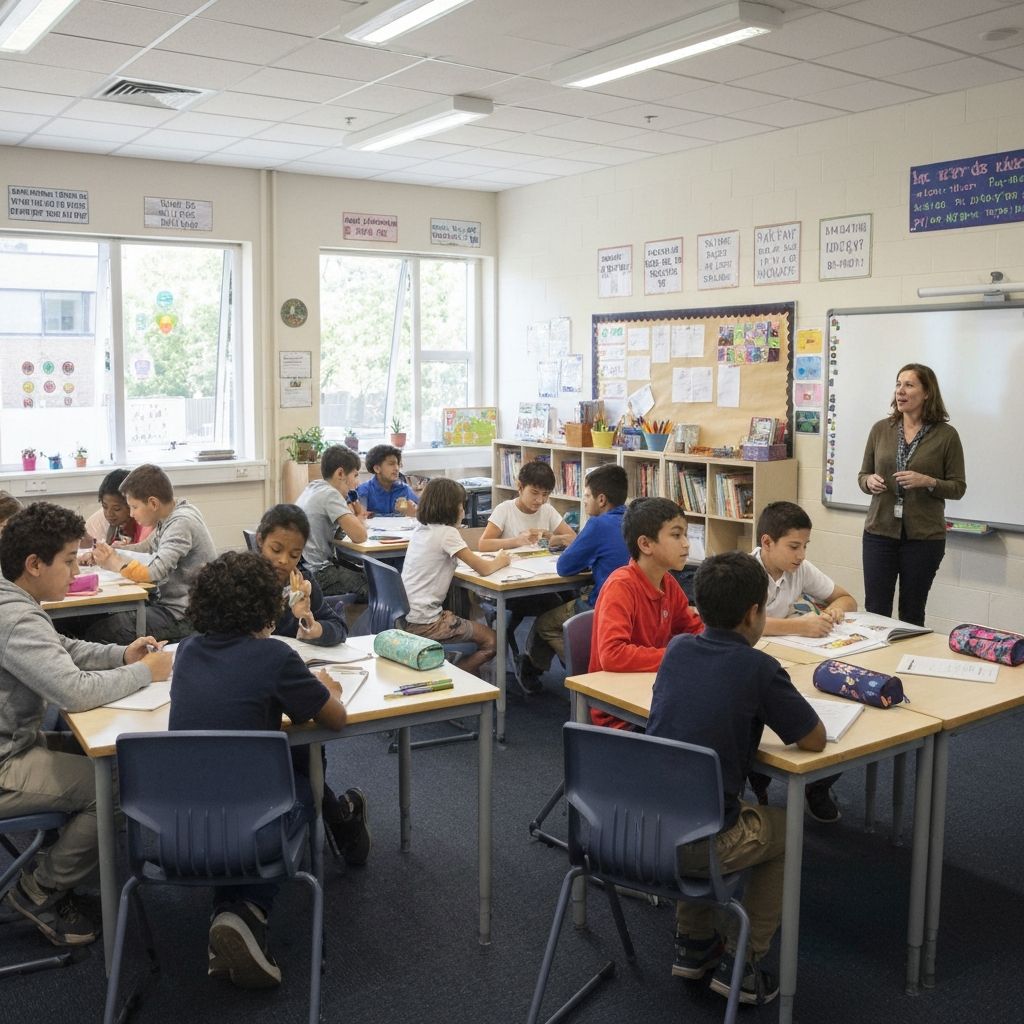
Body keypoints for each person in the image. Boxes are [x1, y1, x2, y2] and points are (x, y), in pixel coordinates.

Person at [647, 551, 825, 1007]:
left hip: (639, 830)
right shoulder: (758, 668)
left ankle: (694, 942)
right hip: (697, 844)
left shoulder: (677, 650)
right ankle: (744, 963)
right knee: (783, 827)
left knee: (693, 798)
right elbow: (813, 740)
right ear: (755, 612)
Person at [170, 551, 347, 989]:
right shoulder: (274, 657)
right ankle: (249, 910)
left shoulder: (187, 652)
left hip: (179, 825)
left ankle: (232, 915)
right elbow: (335, 719)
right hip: (253, 821)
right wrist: (327, 687)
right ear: (266, 606)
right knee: (305, 782)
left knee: (246, 801)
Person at [0, 502, 171, 947]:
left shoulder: (14, 599)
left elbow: (63, 649)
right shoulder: (15, 618)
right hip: (5, 761)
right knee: (113, 788)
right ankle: (39, 889)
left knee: (107, 762)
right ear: (33, 565)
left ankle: (64, 876)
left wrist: (121, 655)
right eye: (69, 560)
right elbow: (73, 690)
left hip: (14, 740)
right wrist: (146, 672)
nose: (76, 570)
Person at [254, 503, 370, 864]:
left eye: (294, 554)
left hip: (291, 685)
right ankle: (338, 815)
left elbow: (338, 628)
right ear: (259, 542)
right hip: (259, 685)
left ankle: (332, 815)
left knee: (305, 746)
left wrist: (309, 622)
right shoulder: (241, 579)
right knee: (295, 757)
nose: (284, 561)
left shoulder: (301, 581)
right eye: (275, 550)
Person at [752, 500, 857, 822]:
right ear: (767, 543)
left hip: (793, 658)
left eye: (805, 546)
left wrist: (834, 609)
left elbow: (847, 598)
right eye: (794, 546)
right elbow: (746, 622)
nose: (801, 555)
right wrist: (799, 625)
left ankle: (818, 786)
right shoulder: (746, 571)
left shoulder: (800, 570)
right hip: (756, 660)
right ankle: (759, 782)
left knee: (839, 720)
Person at [859, 363, 966, 626]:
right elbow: (862, 475)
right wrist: (868, 481)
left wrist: (928, 481)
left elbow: (958, 487)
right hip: (879, 533)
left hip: (923, 538)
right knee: (875, 610)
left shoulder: (946, 436)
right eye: (898, 384)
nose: (900, 391)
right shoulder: (880, 429)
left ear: (927, 392)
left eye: (909, 385)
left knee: (912, 612)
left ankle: (904, 664)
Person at [589, 496, 702, 728]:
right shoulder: (621, 586)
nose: (686, 544)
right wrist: (676, 657)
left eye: (685, 535)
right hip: (618, 711)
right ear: (646, 544)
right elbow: (612, 654)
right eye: (676, 535)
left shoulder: (668, 583)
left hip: (652, 692)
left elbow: (695, 628)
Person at [521, 464, 630, 685]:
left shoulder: (598, 524)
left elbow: (564, 567)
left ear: (601, 500)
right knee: (560, 605)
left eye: (587, 496)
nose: (585, 501)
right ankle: (534, 668)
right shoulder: (634, 519)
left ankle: (584, 677)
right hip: (633, 607)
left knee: (546, 624)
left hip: (602, 605)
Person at [85, 463, 217, 643]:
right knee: (99, 619)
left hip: (184, 616)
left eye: (134, 507)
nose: (131, 514)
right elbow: (147, 547)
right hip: (170, 607)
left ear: (153, 503)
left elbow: (153, 573)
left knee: (99, 632)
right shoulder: (172, 515)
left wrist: (115, 563)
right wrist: (112, 551)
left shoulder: (181, 523)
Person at [401, 477, 510, 677]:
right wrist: (501, 559)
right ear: (451, 508)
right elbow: (484, 569)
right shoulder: (448, 533)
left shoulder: (420, 530)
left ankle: (457, 672)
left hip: (406, 617)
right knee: (493, 641)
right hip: (427, 623)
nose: (463, 511)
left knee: (467, 613)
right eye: (461, 505)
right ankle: (456, 678)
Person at [296, 445, 369, 600]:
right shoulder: (330, 494)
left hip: (303, 568)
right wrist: (357, 517)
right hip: (318, 573)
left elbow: (340, 532)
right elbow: (360, 536)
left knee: (363, 574)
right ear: (340, 473)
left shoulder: (314, 486)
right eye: (355, 475)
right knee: (376, 586)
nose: (357, 483)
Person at [479, 460, 576, 552]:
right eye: (534, 492)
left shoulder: (548, 510)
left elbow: (574, 539)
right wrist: (517, 541)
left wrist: (550, 537)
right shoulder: (504, 509)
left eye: (545, 494)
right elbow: (483, 544)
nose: (540, 500)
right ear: (520, 487)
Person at [79, 468, 153, 558]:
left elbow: (144, 557)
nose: (109, 514)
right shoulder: (113, 524)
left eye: (117, 509)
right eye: (104, 506)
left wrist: (124, 550)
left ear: (131, 503)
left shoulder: (144, 524)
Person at [356, 444, 419, 517]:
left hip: (400, 528)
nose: (397, 468)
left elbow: (421, 513)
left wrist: (412, 512)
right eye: (391, 464)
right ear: (377, 469)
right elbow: (361, 516)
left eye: (398, 464)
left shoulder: (404, 489)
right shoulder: (364, 490)